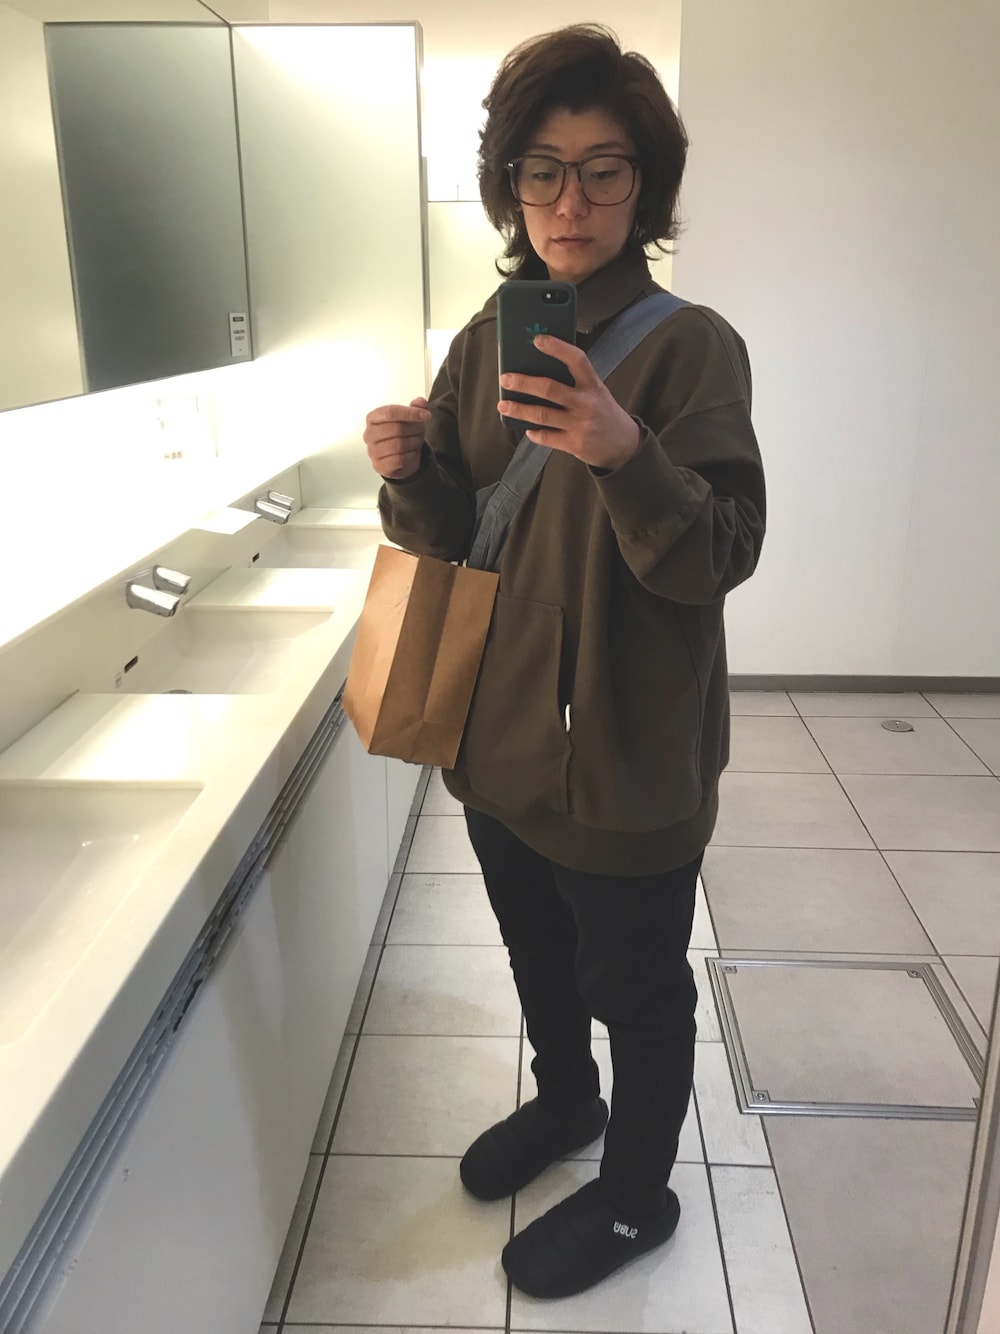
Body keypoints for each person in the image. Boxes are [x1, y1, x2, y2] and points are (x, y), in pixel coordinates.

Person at [364, 24, 766, 1300]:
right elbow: (452, 536)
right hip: (498, 735)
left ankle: (638, 1195)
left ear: (645, 185)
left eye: (603, 171)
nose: (570, 202)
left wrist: (620, 447)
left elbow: (719, 552)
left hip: (625, 753)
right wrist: (408, 471)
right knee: (537, 950)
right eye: (541, 170)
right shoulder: (491, 332)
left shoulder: (691, 346)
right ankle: (565, 1099)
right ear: (508, 185)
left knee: (635, 986)